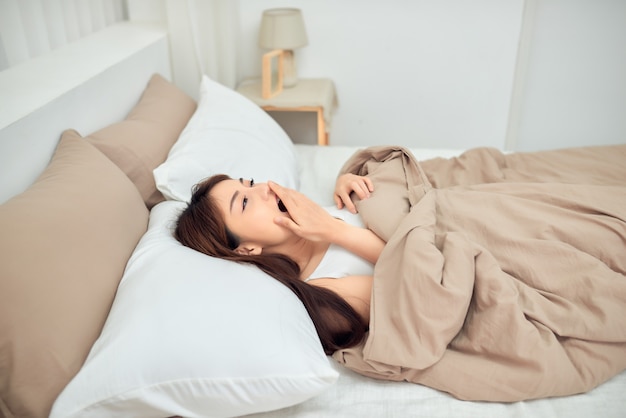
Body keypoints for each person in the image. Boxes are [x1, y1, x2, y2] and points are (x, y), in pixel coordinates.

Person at [175, 173, 384, 354]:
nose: (265, 189)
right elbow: (409, 274)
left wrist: (348, 179)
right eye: (245, 203)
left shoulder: (312, 213)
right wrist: (335, 230)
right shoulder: (324, 294)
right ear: (246, 249)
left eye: (252, 183)